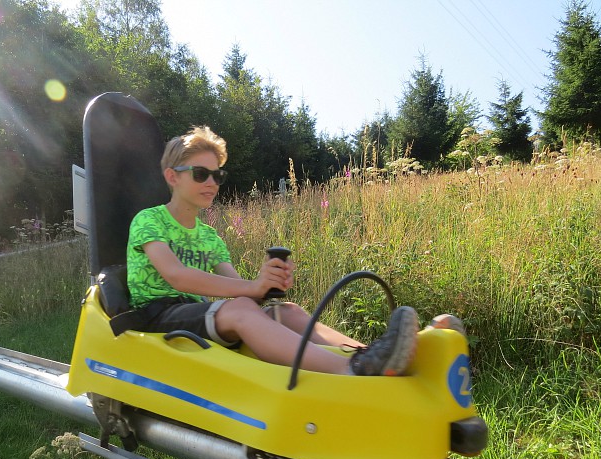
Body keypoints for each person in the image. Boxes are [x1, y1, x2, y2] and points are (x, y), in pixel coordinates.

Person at [126, 126, 461, 376]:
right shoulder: (150, 220)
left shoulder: (209, 236)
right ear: (172, 177)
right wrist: (250, 290)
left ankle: (378, 356)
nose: (212, 182)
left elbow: (238, 286)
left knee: (285, 310)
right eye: (201, 174)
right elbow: (176, 275)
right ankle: (350, 369)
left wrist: (266, 284)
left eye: (217, 175)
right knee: (242, 307)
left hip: (192, 316)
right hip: (156, 315)